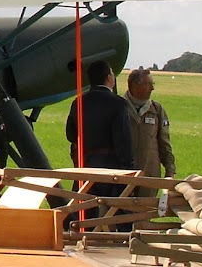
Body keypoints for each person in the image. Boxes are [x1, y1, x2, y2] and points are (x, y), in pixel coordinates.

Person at [65, 60, 134, 196]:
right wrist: (128, 169)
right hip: (110, 168)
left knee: (83, 206)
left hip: (85, 164)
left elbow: (70, 134)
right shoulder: (118, 104)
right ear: (108, 77)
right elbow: (123, 140)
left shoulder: (78, 102)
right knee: (113, 207)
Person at [125, 68, 176, 179]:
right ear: (135, 85)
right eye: (148, 84)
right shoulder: (119, 107)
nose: (152, 88)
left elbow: (164, 143)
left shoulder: (157, 110)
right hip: (123, 175)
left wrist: (170, 170)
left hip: (150, 175)